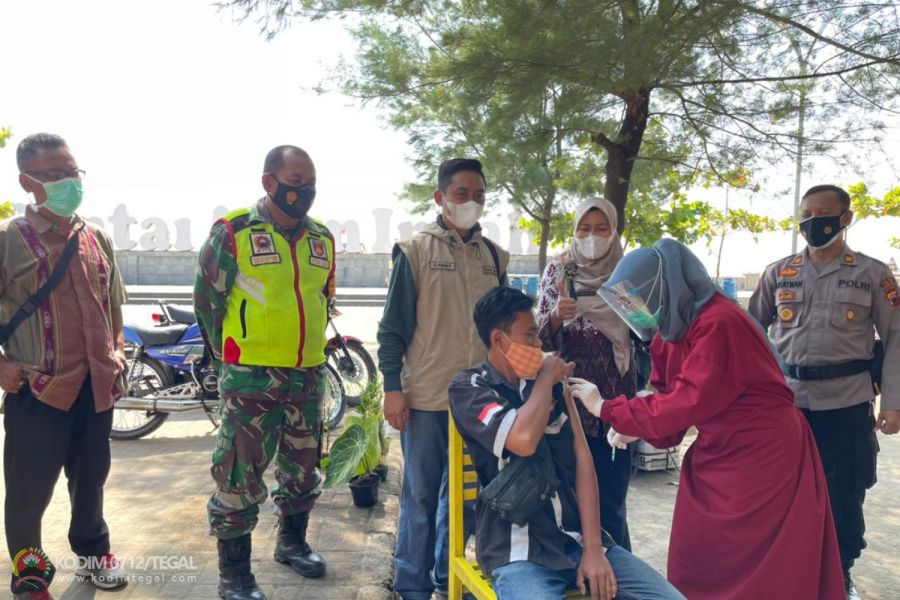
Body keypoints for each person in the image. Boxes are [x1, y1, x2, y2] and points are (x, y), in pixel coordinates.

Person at [569, 238, 845, 600]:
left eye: (632, 297)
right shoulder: (670, 330)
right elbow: (671, 410)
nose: (632, 309)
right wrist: (635, 424)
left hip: (765, 455)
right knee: (696, 553)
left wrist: (609, 409)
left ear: (661, 286)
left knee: (767, 566)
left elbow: (686, 402)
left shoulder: (720, 322)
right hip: (718, 450)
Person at [449, 286, 685, 600]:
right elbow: (522, 441)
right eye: (530, 336)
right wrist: (546, 379)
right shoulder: (470, 387)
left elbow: (583, 461)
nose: (538, 345)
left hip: (576, 539)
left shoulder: (552, 384)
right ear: (498, 340)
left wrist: (592, 550)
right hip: (518, 551)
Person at [195, 145, 335, 600]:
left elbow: (322, 301)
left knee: (303, 469)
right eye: (295, 182)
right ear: (269, 182)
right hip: (252, 379)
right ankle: (234, 575)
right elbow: (208, 303)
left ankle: (291, 543)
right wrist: (230, 360)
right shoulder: (234, 231)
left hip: (308, 376)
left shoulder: (321, 238)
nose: (304, 191)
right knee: (239, 476)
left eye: (310, 182)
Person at [748, 184, 899, 599]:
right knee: (780, 491)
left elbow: (896, 337)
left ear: (846, 219)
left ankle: (840, 572)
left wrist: (893, 403)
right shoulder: (779, 272)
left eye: (825, 214)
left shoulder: (873, 275)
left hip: (846, 404)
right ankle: (786, 572)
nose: (814, 223)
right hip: (787, 405)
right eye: (807, 215)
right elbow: (749, 333)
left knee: (843, 494)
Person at [0, 133, 129, 599]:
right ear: (27, 182)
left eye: (71, 173)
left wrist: (117, 351)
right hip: (38, 390)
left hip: (96, 387)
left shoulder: (97, 239)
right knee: (28, 495)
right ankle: (30, 575)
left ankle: (95, 556)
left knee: (91, 481)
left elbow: (113, 305)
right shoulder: (9, 241)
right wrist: (1, 368)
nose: (66, 182)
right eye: (53, 175)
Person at [377, 158, 509, 599]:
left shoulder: (493, 256)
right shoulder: (415, 252)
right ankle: (410, 586)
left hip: (477, 401)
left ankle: (445, 574)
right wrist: (393, 389)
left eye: (478, 196)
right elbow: (391, 330)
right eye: (461, 194)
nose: (470, 203)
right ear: (440, 198)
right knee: (419, 496)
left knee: (467, 499)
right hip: (427, 398)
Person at [536, 197, 637, 549]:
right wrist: (555, 317)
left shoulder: (628, 272)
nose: (591, 236)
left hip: (614, 401)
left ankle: (619, 575)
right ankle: (581, 571)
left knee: (611, 499)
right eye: (584, 228)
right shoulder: (559, 271)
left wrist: (621, 307)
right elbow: (537, 338)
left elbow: (648, 331)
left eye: (600, 229)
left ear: (613, 232)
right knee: (572, 499)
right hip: (569, 400)